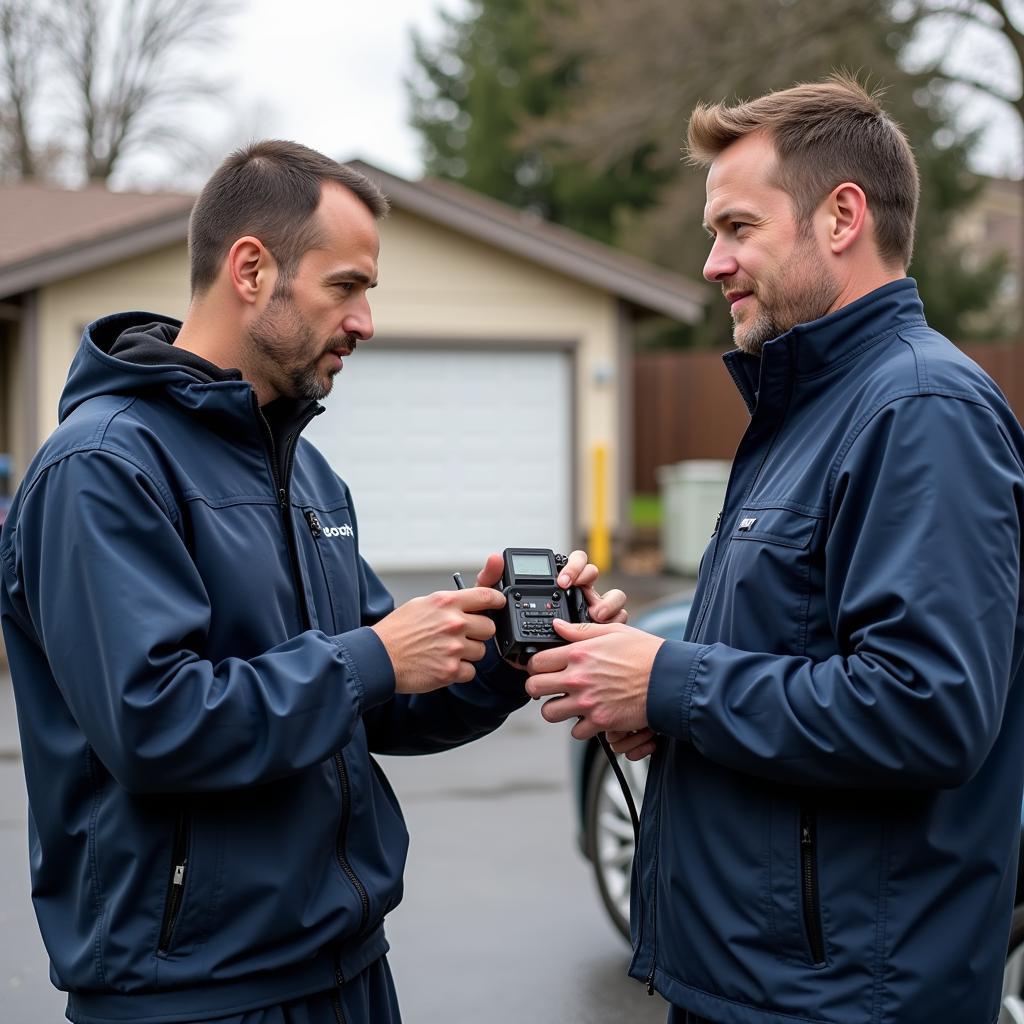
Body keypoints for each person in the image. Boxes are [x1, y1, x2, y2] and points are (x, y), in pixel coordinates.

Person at [0, 141, 625, 1024]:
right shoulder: (104, 467)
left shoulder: (309, 476)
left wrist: (500, 654)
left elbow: (373, 702)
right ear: (251, 269)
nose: (366, 320)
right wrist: (373, 655)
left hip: (346, 972)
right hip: (193, 995)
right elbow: (153, 723)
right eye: (346, 286)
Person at [525, 76, 1024, 1024]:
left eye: (737, 229)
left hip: (844, 1001)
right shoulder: (807, 410)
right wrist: (660, 711)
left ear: (842, 217)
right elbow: (792, 662)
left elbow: (927, 709)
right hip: (759, 986)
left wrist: (669, 681)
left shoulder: (921, 412)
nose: (713, 264)